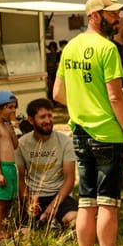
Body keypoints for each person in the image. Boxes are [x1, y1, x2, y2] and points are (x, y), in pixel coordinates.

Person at [53, 0, 123, 246]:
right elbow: (116, 97)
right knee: (107, 203)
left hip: (80, 133)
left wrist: (83, 106)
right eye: (111, 14)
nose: (117, 19)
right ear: (95, 15)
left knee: (85, 202)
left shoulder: (70, 48)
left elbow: (57, 94)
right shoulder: (106, 49)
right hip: (108, 134)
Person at [15, 98, 78, 229]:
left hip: (60, 196)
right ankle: (47, 223)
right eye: (42, 117)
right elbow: (20, 179)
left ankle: (56, 221)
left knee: (75, 220)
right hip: (34, 197)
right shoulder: (22, 144)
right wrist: (27, 201)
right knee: (23, 237)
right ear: (31, 120)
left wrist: (53, 207)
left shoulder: (65, 141)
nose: (48, 121)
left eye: (50, 116)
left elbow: (70, 179)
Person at [0, 90, 19, 242]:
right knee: (0, 203)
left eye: (14, 107)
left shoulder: (7, 126)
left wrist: (13, 129)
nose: (13, 111)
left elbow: (15, 145)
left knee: (8, 202)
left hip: (11, 167)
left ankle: (6, 232)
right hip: (1, 168)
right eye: (9, 107)